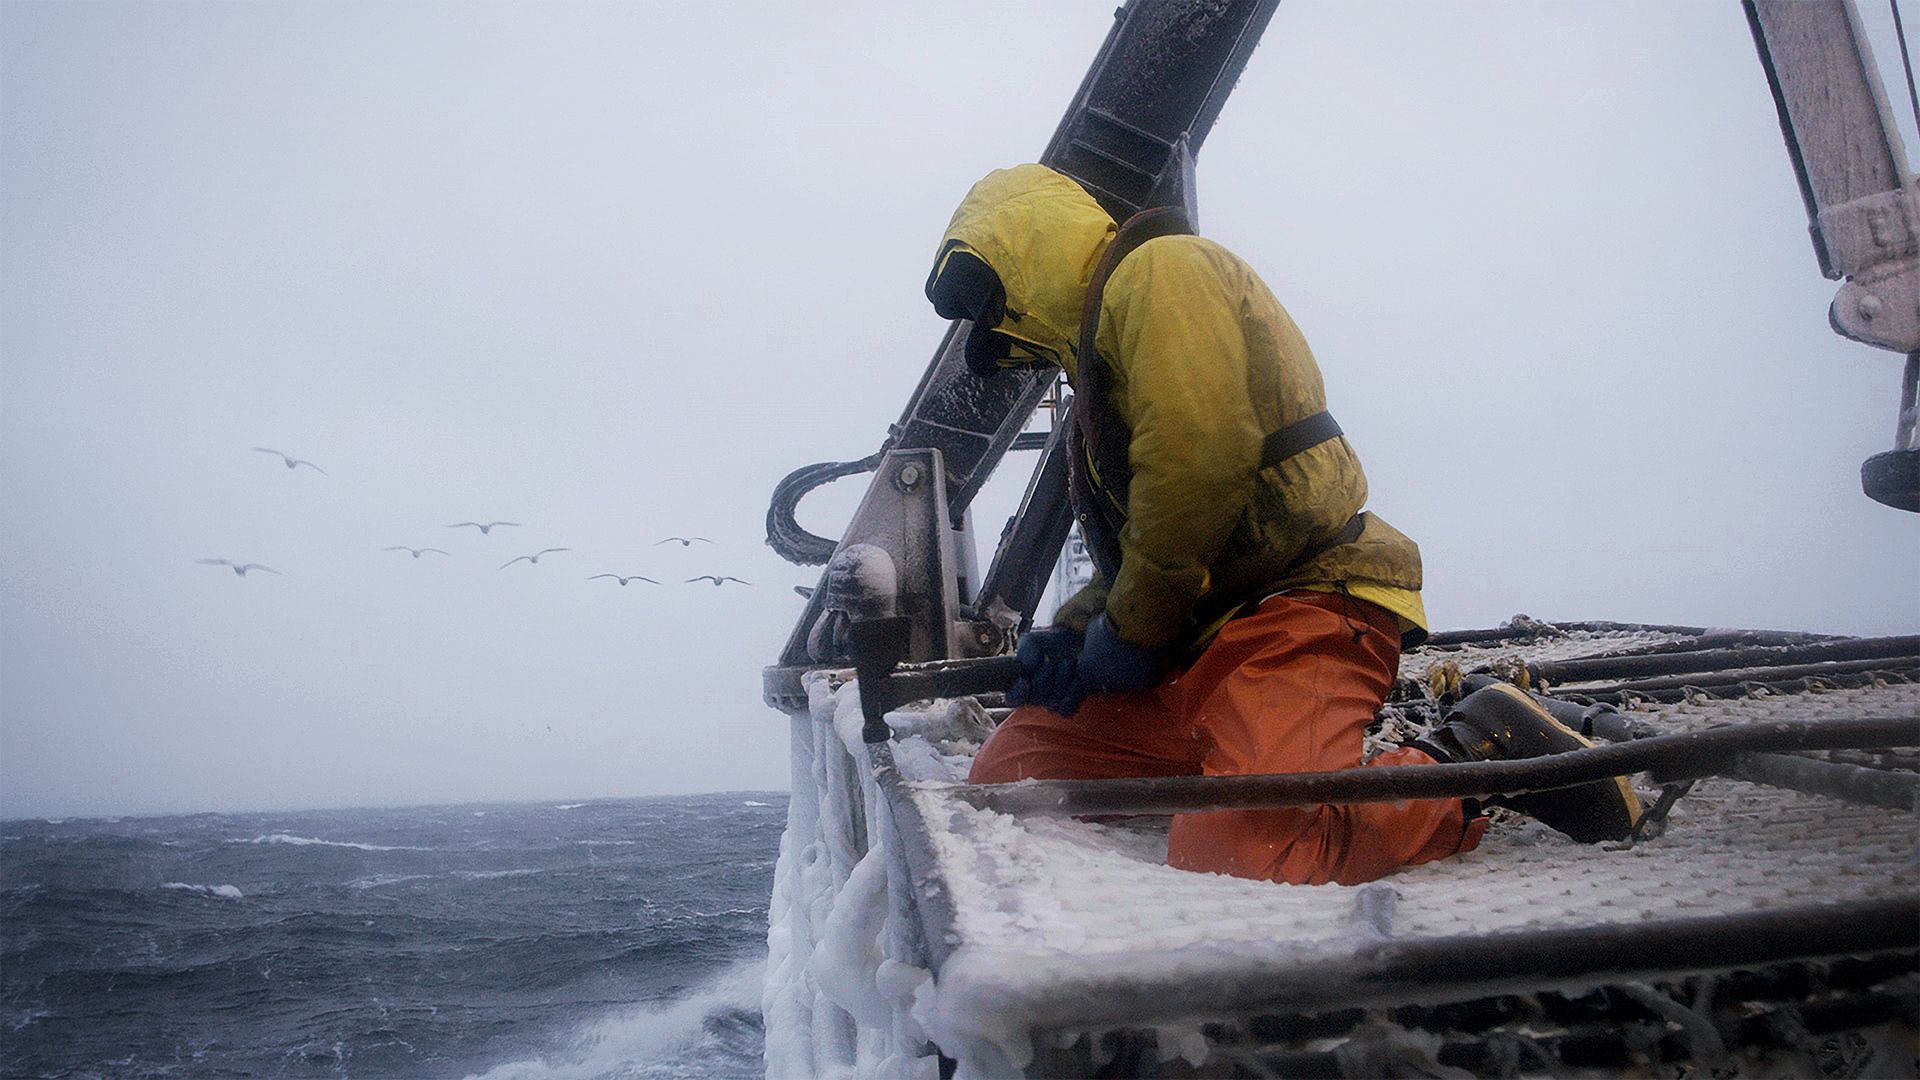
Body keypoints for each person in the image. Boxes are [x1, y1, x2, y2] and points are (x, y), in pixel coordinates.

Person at [924, 164, 1640, 886]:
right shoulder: (1100, 364)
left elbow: (1198, 463)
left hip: (1304, 609)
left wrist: (1131, 631)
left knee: (1246, 852)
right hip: (1203, 640)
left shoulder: (1161, 271)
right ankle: (1254, 765)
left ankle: (1480, 750)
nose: (990, 323)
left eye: (988, 298)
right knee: (1015, 784)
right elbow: (1149, 536)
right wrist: (1077, 632)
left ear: (1025, 251)